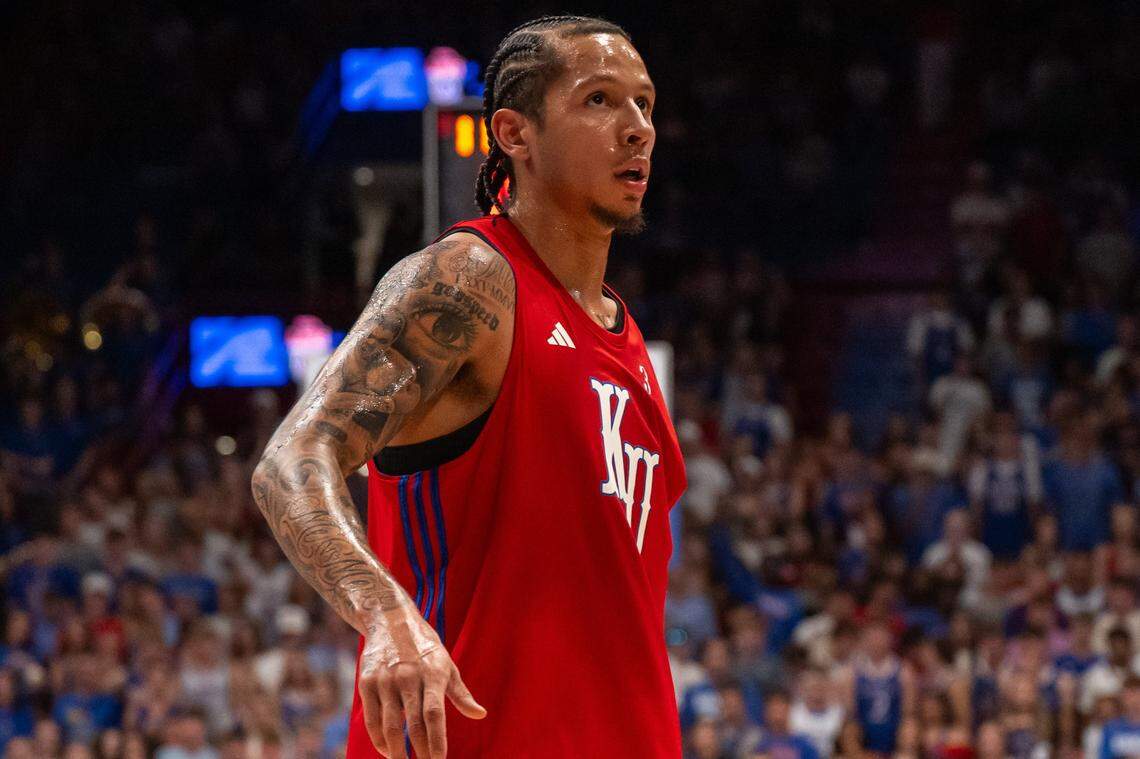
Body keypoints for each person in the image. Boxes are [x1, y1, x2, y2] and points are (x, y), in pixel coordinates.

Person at [251, 15, 686, 759]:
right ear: (514, 133)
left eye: (644, 103)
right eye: (600, 100)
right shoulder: (471, 280)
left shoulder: (629, 337)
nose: (637, 127)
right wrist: (385, 614)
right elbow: (292, 459)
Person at [1100, 676, 1140, 758]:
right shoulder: (1111, 728)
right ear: (1122, 698)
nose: (1134, 700)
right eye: (1129, 695)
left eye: (1137, 694)